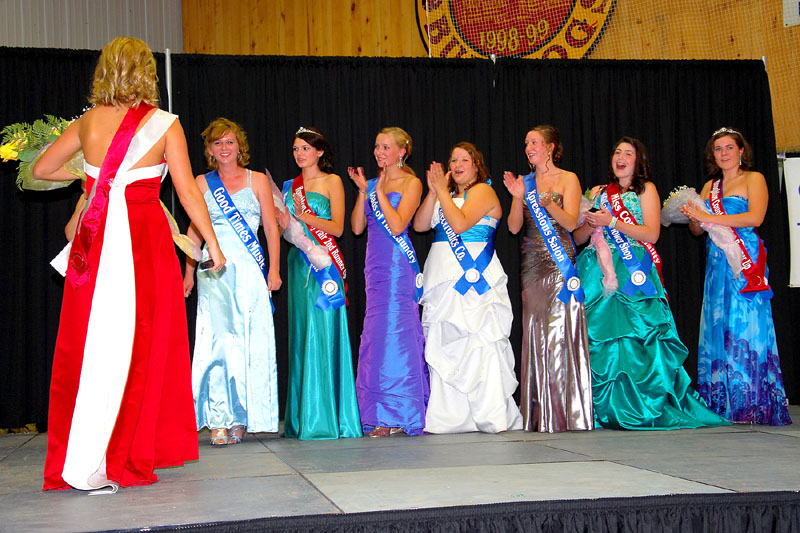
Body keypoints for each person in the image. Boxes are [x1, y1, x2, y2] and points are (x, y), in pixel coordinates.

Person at [33, 36, 225, 491]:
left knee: (94, 342)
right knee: (142, 345)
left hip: (97, 245)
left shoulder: (86, 123)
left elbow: (41, 169)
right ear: (146, 73)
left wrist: (91, 181)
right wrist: (212, 245)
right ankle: (128, 450)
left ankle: (85, 453)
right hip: (143, 246)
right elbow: (188, 193)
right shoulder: (164, 124)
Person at [574, 136, 729, 430]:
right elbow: (581, 239)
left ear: (638, 160)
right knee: (598, 338)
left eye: (628, 153)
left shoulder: (646, 190)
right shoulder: (596, 192)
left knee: (638, 339)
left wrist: (612, 222)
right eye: (617, 152)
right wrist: (587, 223)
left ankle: (642, 403)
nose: (620, 157)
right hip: (596, 270)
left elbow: (651, 234)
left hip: (632, 270)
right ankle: (598, 405)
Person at [681, 128, 791, 425]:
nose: (724, 153)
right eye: (718, 149)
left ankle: (752, 402)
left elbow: (755, 218)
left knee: (746, 326)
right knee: (719, 324)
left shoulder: (753, 179)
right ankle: (722, 402)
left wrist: (708, 217)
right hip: (717, 261)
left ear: (741, 151)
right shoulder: (708, 187)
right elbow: (697, 230)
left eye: (729, 147)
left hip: (745, 261)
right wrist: (693, 219)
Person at [183, 118, 282, 445]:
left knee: (248, 342)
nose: (224, 149)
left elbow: (270, 228)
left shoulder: (257, 181)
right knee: (219, 343)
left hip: (249, 271)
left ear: (240, 146)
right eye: (217, 143)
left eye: (229, 142)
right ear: (210, 150)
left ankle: (242, 417)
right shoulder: (201, 182)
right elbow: (194, 231)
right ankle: (220, 418)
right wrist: (188, 272)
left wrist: (274, 270)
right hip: (214, 271)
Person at [413, 142, 522, 434]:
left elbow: (459, 224)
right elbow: (421, 225)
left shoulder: (483, 191)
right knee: (445, 343)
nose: (458, 164)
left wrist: (442, 195)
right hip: (442, 277)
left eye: (465, 159)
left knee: (479, 342)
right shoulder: (444, 195)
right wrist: (434, 191)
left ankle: (490, 415)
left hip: (473, 277)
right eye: (453, 160)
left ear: (476, 166)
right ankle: (450, 417)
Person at [502, 125, 593, 433]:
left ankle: (565, 412)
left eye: (536, 142)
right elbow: (514, 228)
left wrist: (549, 203)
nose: (530, 147)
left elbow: (570, 222)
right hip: (532, 264)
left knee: (558, 333)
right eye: (527, 142)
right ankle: (540, 413)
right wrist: (518, 198)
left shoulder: (568, 179)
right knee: (534, 332)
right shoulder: (525, 182)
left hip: (559, 263)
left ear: (551, 147)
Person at [280, 126, 362, 439]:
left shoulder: (332, 181)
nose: (300, 154)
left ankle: (331, 417)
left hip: (326, 267)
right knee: (303, 335)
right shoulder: (289, 187)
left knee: (325, 332)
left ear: (320, 152)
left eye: (305, 148)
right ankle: (304, 417)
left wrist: (304, 216)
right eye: (296, 149)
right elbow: (285, 226)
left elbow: (338, 228)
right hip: (298, 264)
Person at [348, 127, 428, 438]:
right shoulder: (369, 185)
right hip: (375, 266)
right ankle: (377, 413)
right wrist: (362, 192)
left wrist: (378, 192)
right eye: (377, 147)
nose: (379, 152)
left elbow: (397, 225)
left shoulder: (412, 182)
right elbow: (356, 228)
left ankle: (401, 412)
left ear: (402, 151)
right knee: (375, 337)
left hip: (397, 266)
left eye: (386, 147)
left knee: (397, 334)